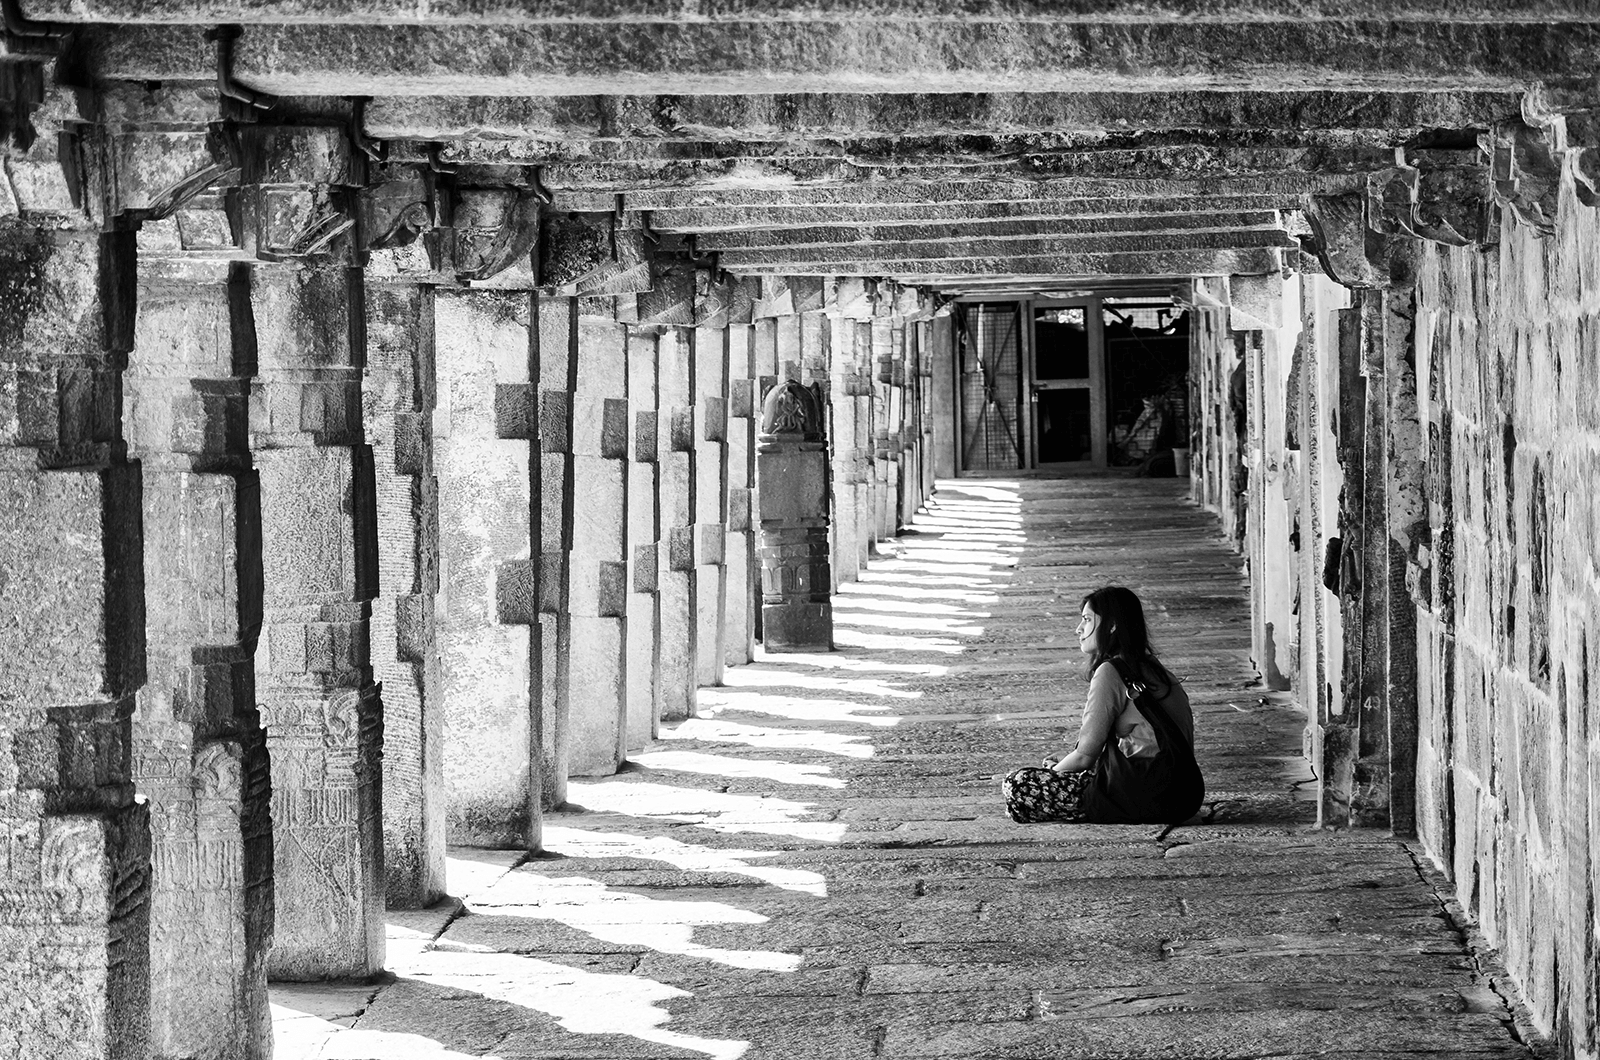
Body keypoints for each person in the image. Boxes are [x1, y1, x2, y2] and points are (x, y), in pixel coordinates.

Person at [1002, 585, 1198, 824]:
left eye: (1086, 619)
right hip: (1181, 794)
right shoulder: (1155, 669)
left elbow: (1085, 755)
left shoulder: (1112, 671)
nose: (1079, 629)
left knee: (1017, 783)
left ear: (1112, 625)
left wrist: (1052, 774)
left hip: (1141, 792)